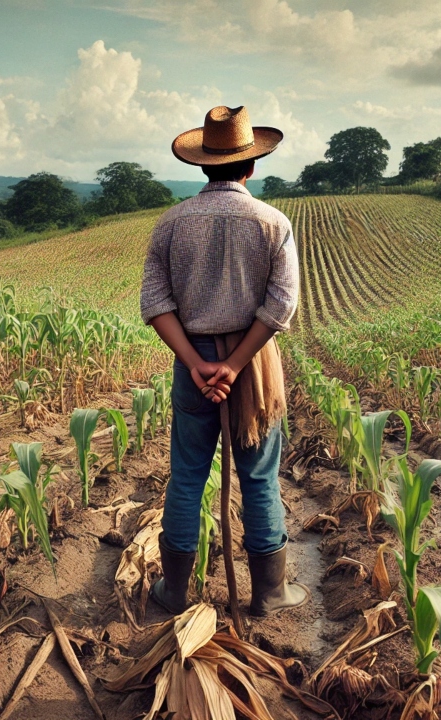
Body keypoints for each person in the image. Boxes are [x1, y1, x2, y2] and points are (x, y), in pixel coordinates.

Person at [139, 105, 308, 617]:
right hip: (253, 365)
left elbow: (154, 301)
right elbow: (282, 304)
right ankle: (270, 594)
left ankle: (173, 593)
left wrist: (196, 362)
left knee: (188, 475)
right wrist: (234, 365)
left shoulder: (170, 223)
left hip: (191, 363)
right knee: (258, 474)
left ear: (201, 164)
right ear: (251, 166)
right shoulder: (272, 223)